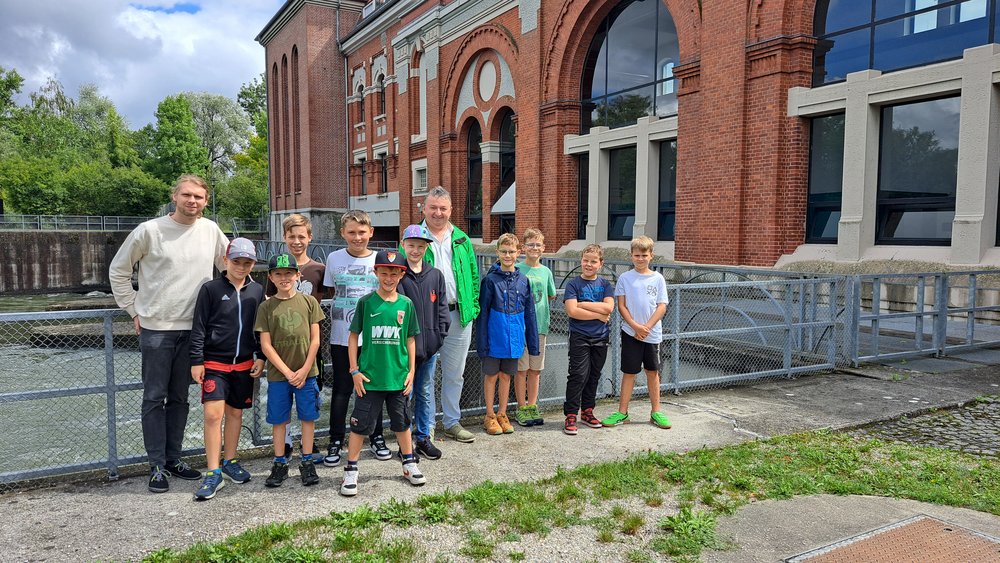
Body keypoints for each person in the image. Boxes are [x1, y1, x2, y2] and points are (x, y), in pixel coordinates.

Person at [109, 174, 228, 493]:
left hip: (194, 330)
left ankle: (174, 459)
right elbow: (119, 270)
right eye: (187, 195)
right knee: (153, 397)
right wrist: (133, 308)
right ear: (174, 197)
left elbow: (230, 267)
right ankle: (157, 465)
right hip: (157, 329)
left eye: (199, 197)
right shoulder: (149, 231)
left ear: (206, 201)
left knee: (179, 398)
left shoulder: (211, 230)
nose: (193, 201)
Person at [340, 250, 426, 496]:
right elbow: (354, 336)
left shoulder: (406, 304)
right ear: (376, 273)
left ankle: (408, 463)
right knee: (359, 425)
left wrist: (411, 371)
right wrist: (354, 370)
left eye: (394, 273)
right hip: (369, 379)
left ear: (401, 275)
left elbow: (410, 339)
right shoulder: (366, 303)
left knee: (402, 422)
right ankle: (351, 470)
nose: (389, 278)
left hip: (397, 378)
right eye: (384, 272)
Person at [189, 238, 265, 500]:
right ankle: (213, 472)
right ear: (226, 261)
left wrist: (261, 356)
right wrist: (196, 360)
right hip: (214, 363)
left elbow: (259, 328)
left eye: (247, 263)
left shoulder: (257, 290)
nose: (241, 267)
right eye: (236, 261)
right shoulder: (210, 289)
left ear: (253, 264)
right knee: (212, 415)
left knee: (235, 414)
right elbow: (198, 326)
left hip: (244, 363)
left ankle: (230, 461)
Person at [322, 210, 391, 466]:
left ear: (371, 232)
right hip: (342, 336)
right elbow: (333, 291)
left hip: (373, 339)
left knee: (373, 390)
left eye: (362, 232)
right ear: (343, 233)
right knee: (342, 391)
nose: (357, 237)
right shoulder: (333, 258)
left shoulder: (380, 259)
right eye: (351, 232)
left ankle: (376, 436)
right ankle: (336, 440)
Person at [255, 253, 326, 487]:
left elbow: (316, 340)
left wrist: (305, 369)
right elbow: (266, 345)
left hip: (307, 373)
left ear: (297, 275)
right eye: (278, 273)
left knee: (308, 417)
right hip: (279, 376)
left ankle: (307, 461)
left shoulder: (309, 302)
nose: (284, 277)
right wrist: (287, 372)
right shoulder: (266, 307)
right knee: (279, 420)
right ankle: (280, 463)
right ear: (271, 277)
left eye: (288, 273)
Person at [421, 187, 479, 443]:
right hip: (427, 318)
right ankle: (427, 425)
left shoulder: (462, 239)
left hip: (459, 315)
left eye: (443, 208)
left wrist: (473, 307)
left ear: (451, 210)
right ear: (423, 208)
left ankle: (452, 422)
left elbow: (473, 277)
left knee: (455, 373)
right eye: (433, 207)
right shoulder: (414, 236)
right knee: (426, 375)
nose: (438, 212)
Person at [266, 214, 326, 462]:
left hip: (309, 346)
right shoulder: (278, 273)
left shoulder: (319, 270)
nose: (297, 241)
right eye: (292, 236)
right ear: (285, 238)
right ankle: (287, 445)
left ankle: (308, 449)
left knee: (309, 398)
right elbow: (268, 306)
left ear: (310, 237)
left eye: (302, 236)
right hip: (282, 347)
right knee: (282, 402)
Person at [601, 236, 672, 430]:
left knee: (652, 372)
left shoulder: (658, 278)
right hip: (630, 333)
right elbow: (622, 306)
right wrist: (635, 326)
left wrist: (646, 326)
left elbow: (662, 306)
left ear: (651, 256)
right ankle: (622, 412)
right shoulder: (625, 278)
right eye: (636, 255)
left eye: (644, 255)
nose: (640, 259)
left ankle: (656, 411)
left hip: (652, 334)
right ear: (631, 256)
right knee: (629, 372)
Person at [396, 224, 450, 460]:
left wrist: (438, 337)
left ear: (426, 248)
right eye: (411, 246)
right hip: (403, 351)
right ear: (403, 245)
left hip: (429, 348)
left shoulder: (435, 275)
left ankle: (423, 438)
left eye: (420, 246)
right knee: (403, 395)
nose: (415, 250)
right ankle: (404, 443)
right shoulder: (397, 274)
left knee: (425, 392)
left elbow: (442, 310)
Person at [478, 233, 539, 435]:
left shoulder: (523, 280)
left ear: (518, 253)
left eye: (511, 251)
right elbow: (483, 313)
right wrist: (482, 341)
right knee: (491, 376)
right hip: (494, 337)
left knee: (506, 376)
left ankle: (502, 413)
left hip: (514, 339)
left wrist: (533, 343)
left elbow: (530, 313)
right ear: (497, 252)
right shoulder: (490, 281)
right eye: (504, 251)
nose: (507, 255)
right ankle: (489, 415)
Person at [562, 244, 615, 435]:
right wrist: (598, 315)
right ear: (581, 261)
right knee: (578, 375)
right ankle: (570, 414)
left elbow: (609, 308)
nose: (589, 264)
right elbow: (572, 311)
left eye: (593, 261)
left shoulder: (605, 285)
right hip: (580, 337)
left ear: (600, 264)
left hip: (600, 337)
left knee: (594, 375)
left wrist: (584, 304)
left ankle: (587, 410)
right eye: (586, 260)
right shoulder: (573, 284)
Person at [514, 228, 556, 427]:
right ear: (523, 247)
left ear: (543, 248)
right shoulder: (517, 269)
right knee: (521, 369)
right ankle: (521, 407)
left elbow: (549, 295)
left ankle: (532, 405)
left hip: (539, 327)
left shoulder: (546, 271)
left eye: (538, 245)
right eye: (530, 244)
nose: (534, 248)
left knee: (535, 369)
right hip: (521, 327)